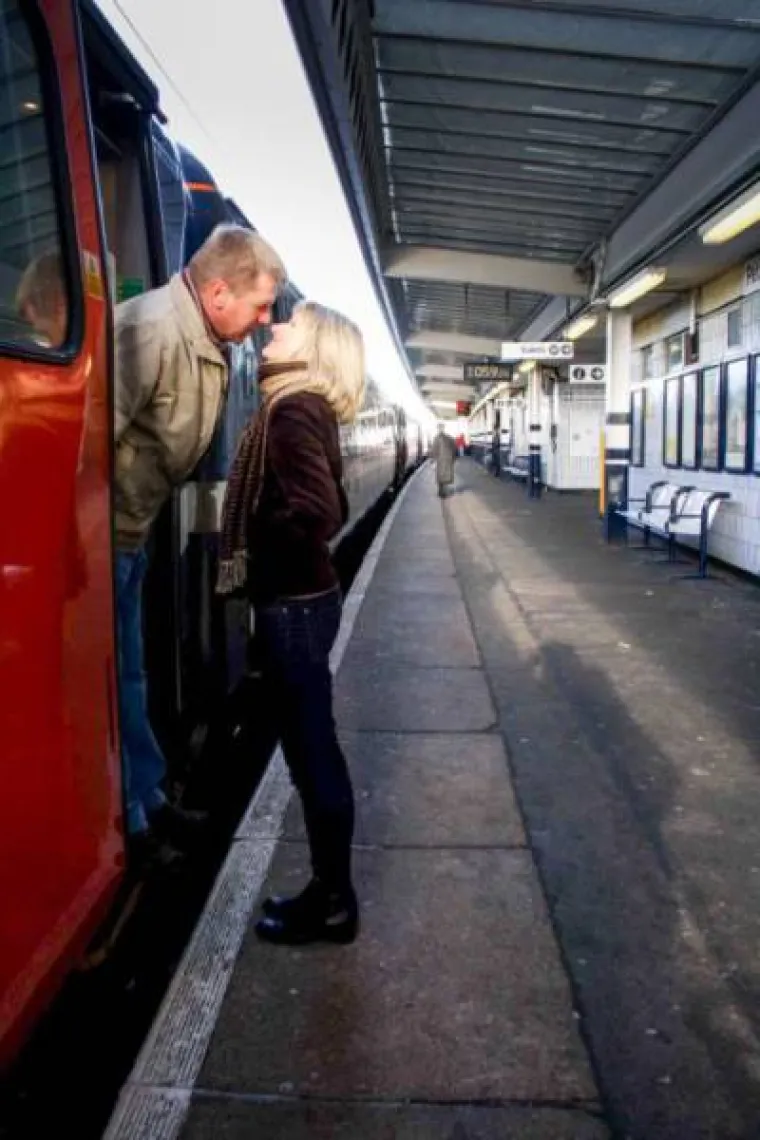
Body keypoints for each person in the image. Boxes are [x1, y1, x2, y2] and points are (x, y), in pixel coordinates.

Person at [114, 224, 286, 868]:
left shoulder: (205, 338)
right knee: (113, 679)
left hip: (132, 532)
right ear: (218, 294)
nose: (265, 321)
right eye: (260, 306)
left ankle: (149, 797)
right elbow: (82, 443)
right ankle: (132, 821)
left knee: (131, 672)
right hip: (101, 540)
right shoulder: (149, 333)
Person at [217, 300, 365, 945]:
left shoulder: (292, 410)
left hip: (296, 606)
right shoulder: (302, 405)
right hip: (308, 601)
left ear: (313, 346)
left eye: (290, 323)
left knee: (311, 753)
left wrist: (259, 541)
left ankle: (333, 902)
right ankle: (328, 892)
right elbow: (334, 502)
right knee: (311, 749)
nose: (274, 327)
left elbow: (321, 511)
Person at [430, 423, 457, 497]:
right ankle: (443, 491)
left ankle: (441, 492)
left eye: (439, 428)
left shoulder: (436, 438)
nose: (439, 429)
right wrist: (453, 458)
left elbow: (434, 450)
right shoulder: (449, 438)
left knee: (440, 476)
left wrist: (432, 460)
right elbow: (455, 449)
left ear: (439, 429)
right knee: (446, 477)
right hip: (448, 460)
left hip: (440, 461)